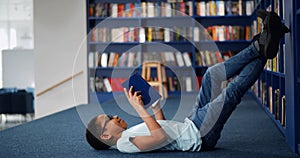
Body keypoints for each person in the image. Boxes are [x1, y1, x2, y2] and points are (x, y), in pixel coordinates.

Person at [85, 9, 290, 153]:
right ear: (105, 136)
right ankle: (264, 45)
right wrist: (140, 110)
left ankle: (263, 44)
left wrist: (155, 107)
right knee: (231, 92)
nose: (114, 116)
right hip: (199, 136)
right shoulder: (123, 145)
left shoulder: (128, 135)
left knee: (211, 74)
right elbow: (160, 138)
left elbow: (162, 129)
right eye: (109, 119)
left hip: (190, 124)